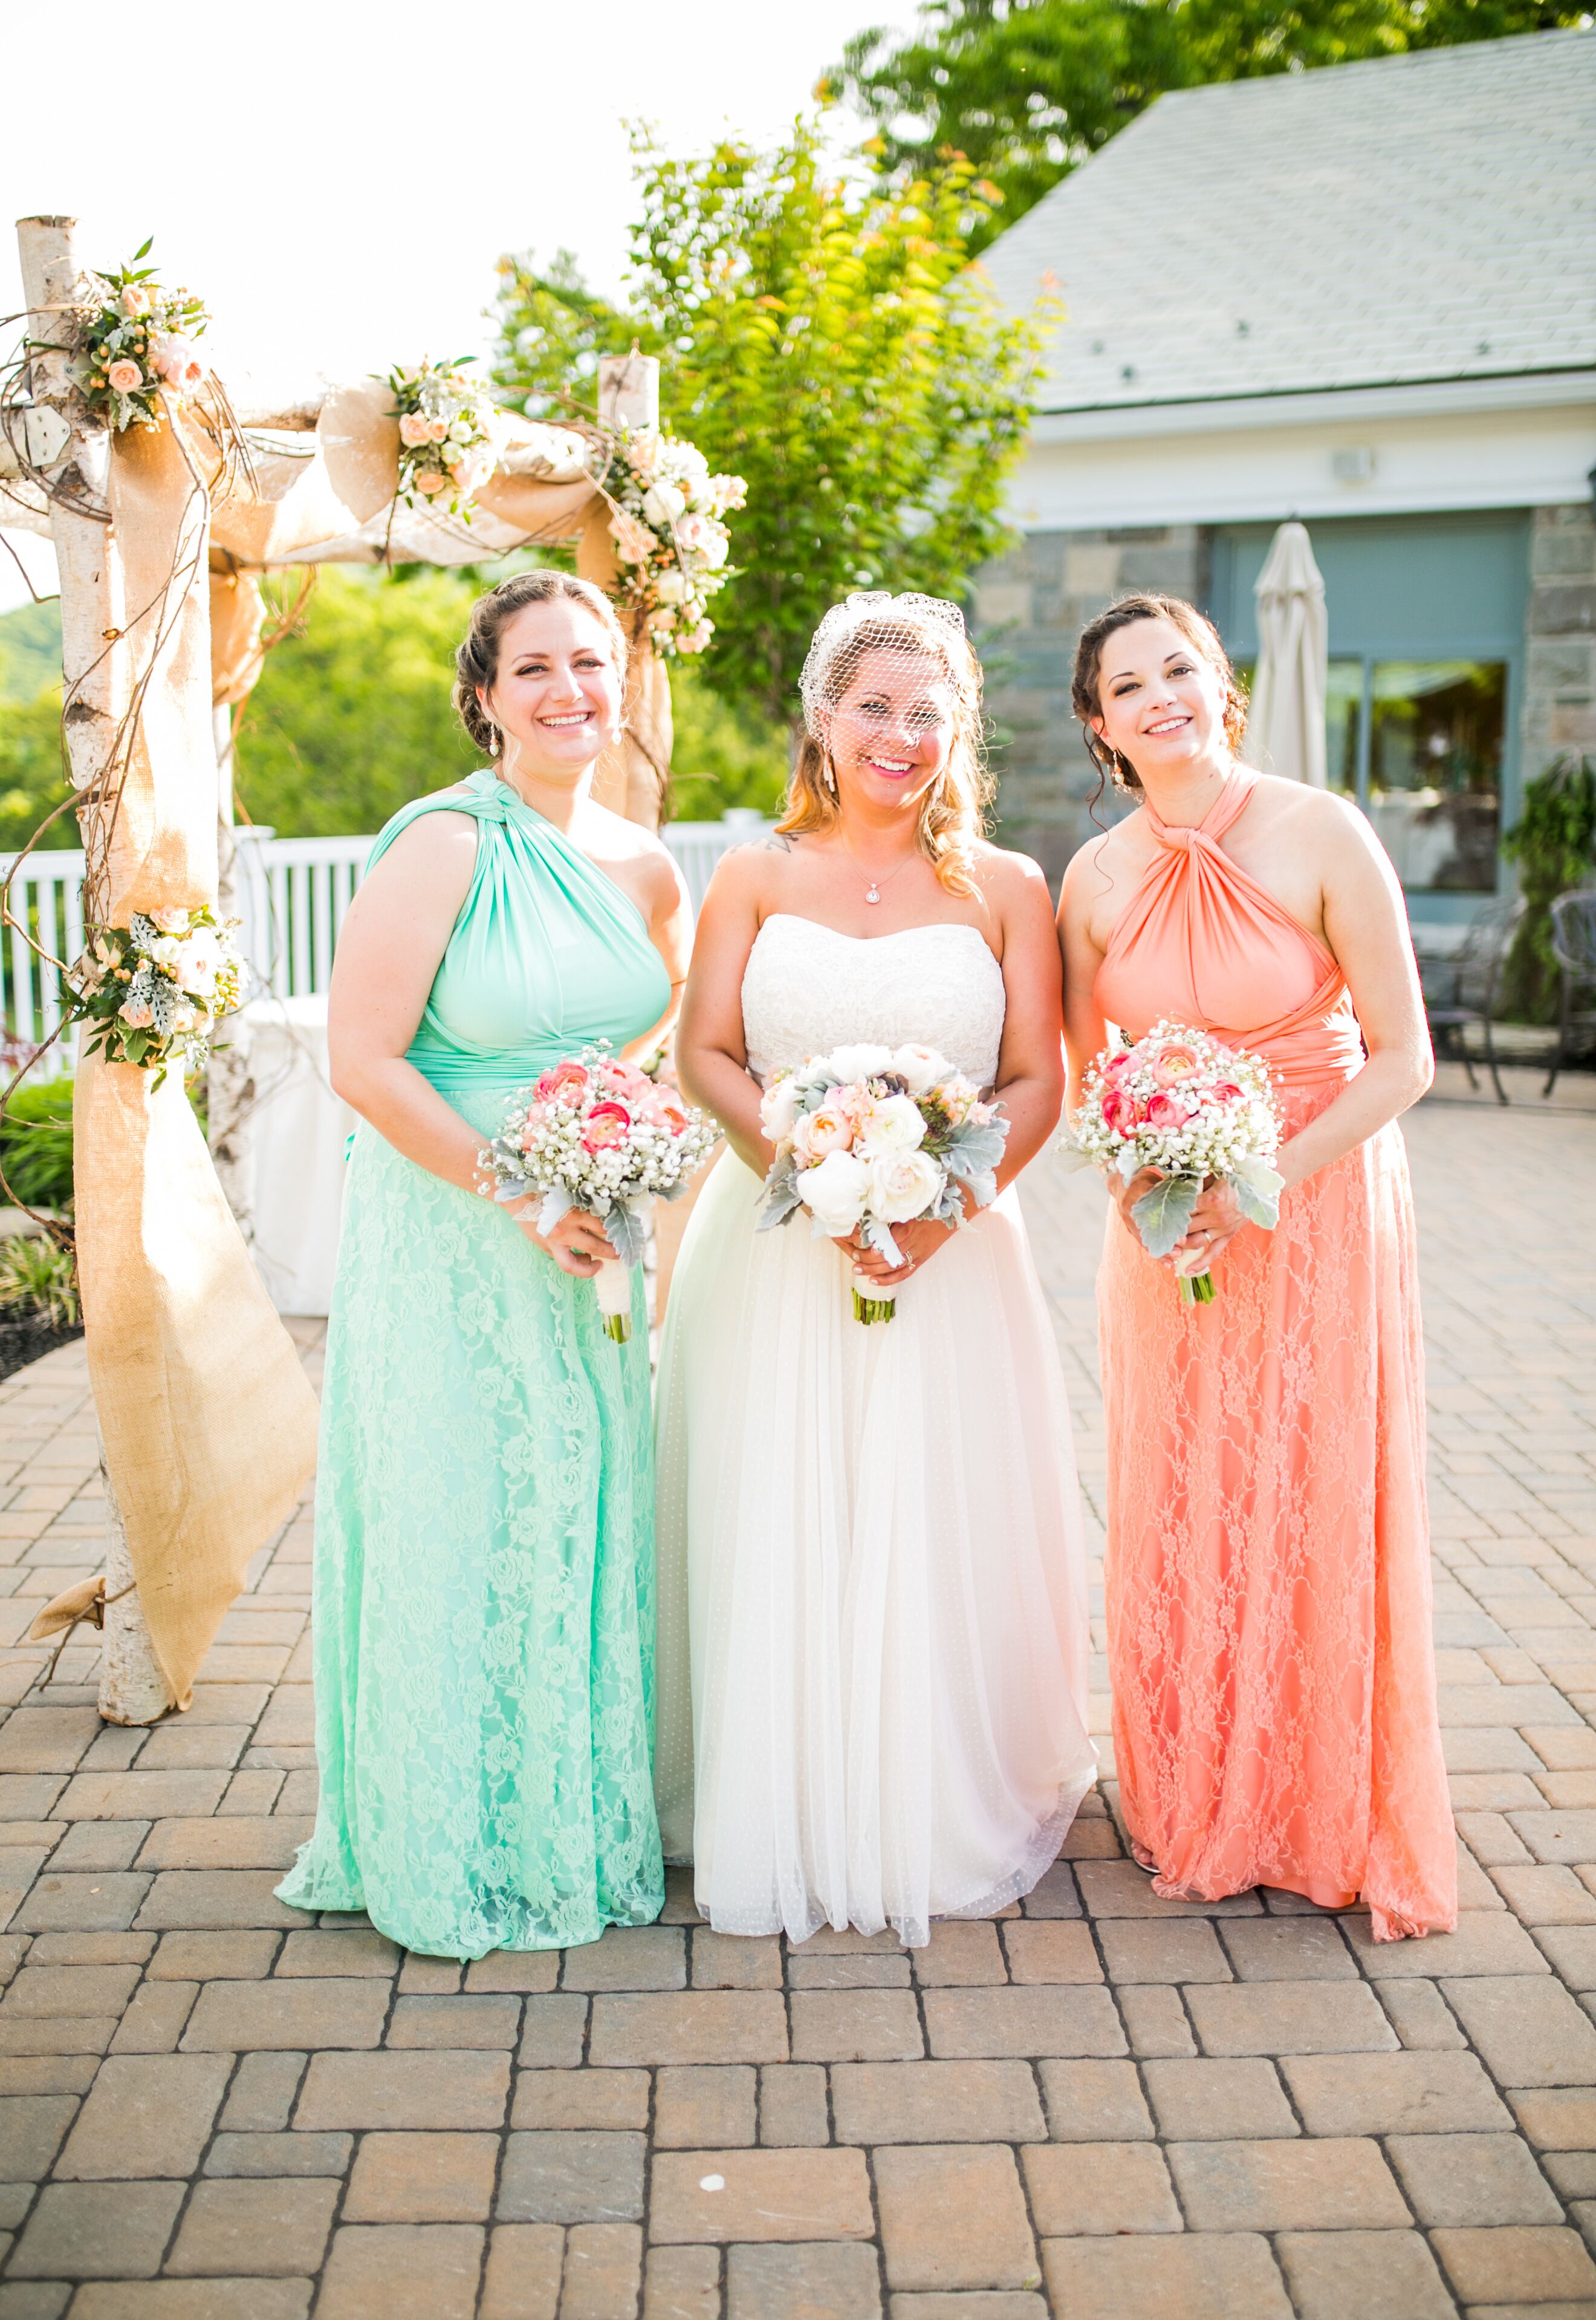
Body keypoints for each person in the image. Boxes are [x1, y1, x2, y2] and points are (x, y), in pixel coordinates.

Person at [654, 591, 1095, 1946]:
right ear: (822, 720)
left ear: (958, 727)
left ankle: (926, 1796)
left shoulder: (1009, 887)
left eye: (928, 711)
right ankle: (777, 1797)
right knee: (776, 1499)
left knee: (931, 1507)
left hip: (955, 1253)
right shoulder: (752, 875)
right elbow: (705, 1056)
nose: (901, 735)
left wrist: (932, 1208)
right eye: (873, 707)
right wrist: (814, 1168)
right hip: (778, 1242)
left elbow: (1037, 1079)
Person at [277, 571, 689, 1958]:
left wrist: (619, 1154)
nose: (571, 690)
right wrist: (517, 1184)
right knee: (461, 1512)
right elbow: (363, 1059)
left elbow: (654, 1044)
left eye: (592, 662)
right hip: (455, 1225)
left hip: (589, 1234)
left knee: (577, 1515)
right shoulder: (445, 845)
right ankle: (442, 1840)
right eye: (537, 670)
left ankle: (562, 1822)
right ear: (485, 697)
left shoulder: (647, 865)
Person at [1057, 591, 1455, 1941]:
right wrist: (1147, 1181)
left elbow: (1405, 1058)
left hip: (1318, 1199)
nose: (1160, 695)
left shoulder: (1322, 829)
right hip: (1166, 1224)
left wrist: (1260, 1178)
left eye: (1181, 668)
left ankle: (1313, 1797)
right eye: (1129, 684)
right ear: (1101, 726)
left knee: (1309, 1480)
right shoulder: (1093, 878)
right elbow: (1081, 1075)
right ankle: (1188, 1786)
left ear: (1224, 685)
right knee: (1185, 1487)